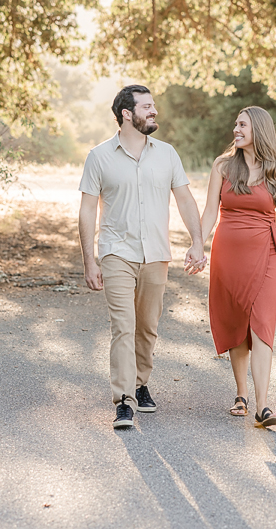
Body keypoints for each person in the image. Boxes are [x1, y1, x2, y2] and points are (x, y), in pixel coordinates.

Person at [78, 85, 206, 430]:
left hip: (156, 254)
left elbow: (184, 200)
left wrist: (198, 242)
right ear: (126, 114)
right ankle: (124, 401)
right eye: (147, 107)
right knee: (123, 326)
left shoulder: (167, 154)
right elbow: (88, 210)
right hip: (116, 252)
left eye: (154, 106)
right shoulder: (99, 156)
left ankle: (140, 381)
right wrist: (90, 260)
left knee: (147, 326)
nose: (154, 112)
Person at [199, 106, 276, 427]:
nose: (236, 129)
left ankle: (262, 406)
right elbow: (209, 212)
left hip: (266, 255)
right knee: (235, 322)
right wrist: (197, 244)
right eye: (235, 123)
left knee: (261, 325)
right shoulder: (222, 166)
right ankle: (241, 393)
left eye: (242, 124)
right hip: (227, 254)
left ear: (258, 130)